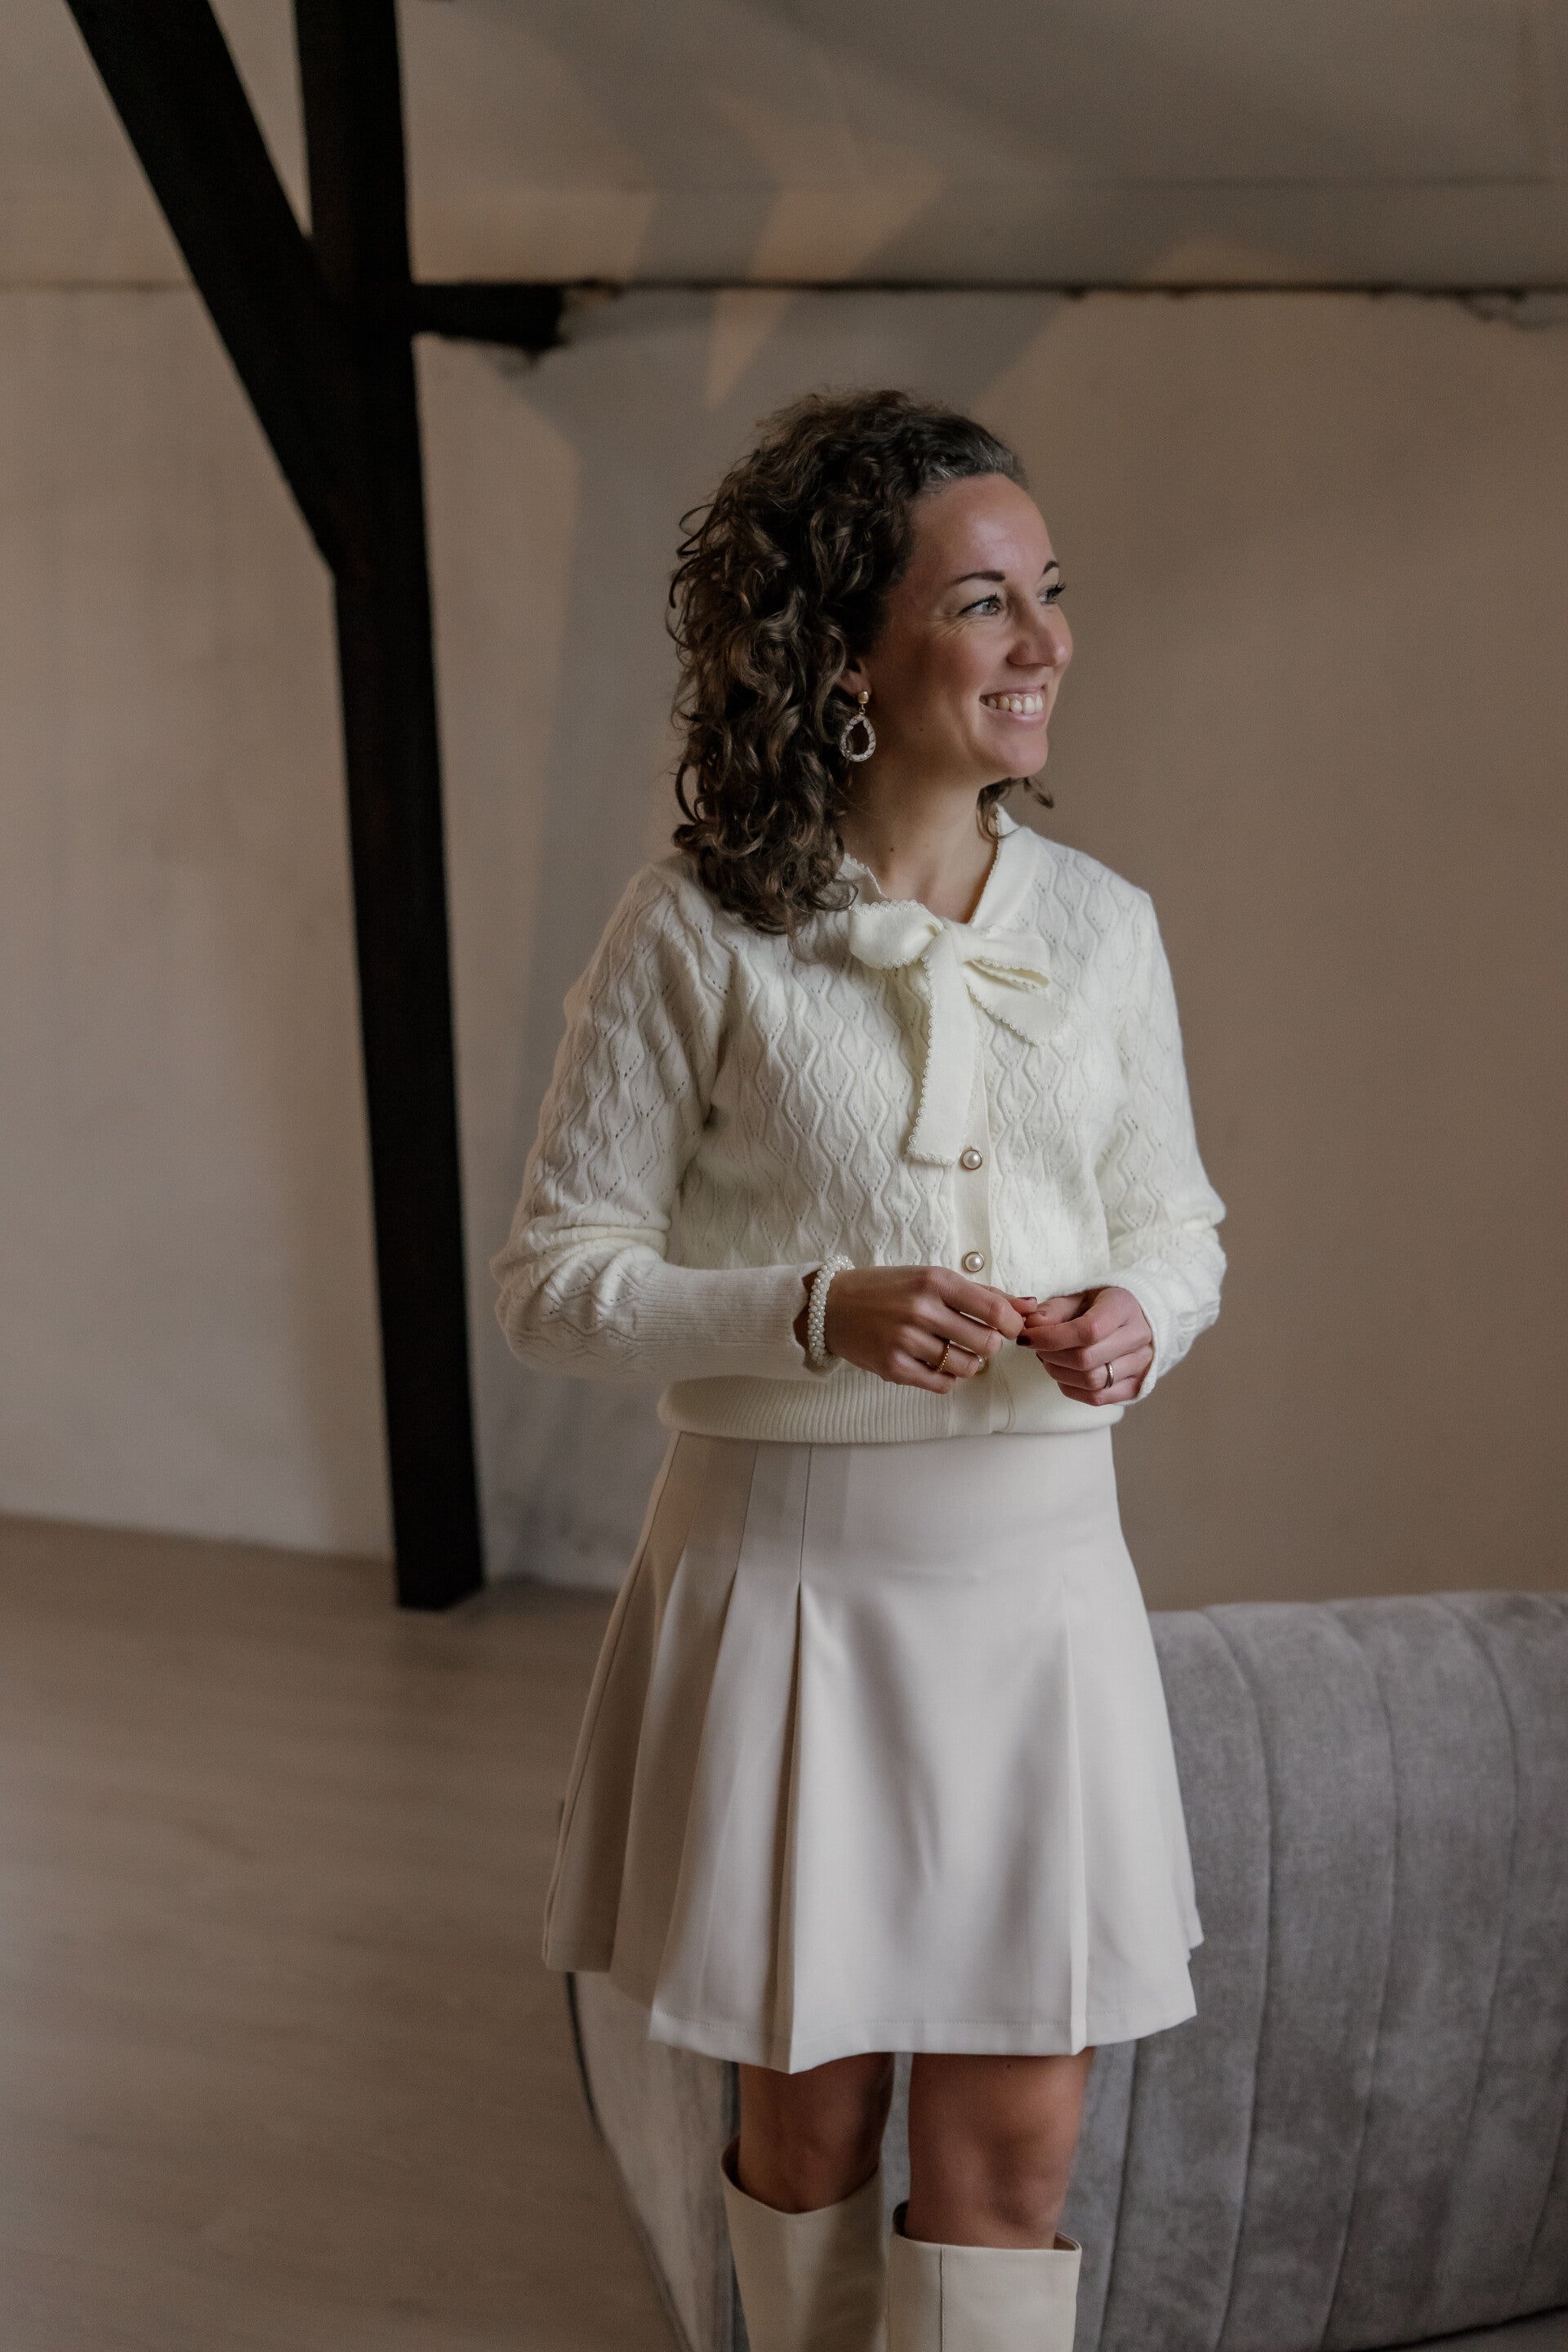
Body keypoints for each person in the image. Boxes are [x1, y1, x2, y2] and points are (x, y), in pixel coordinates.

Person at [492, 389, 1226, 2352]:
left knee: (1019, 2141)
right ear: (842, 654)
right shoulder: (695, 931)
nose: (1045, 640)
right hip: (792, 1585)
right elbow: (554, 1286)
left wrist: (1140, 1316)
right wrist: (813, 1311)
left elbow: (1182, 1226)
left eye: (1050, 591)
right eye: (984, 603)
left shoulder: (1108, 931)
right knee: (807, 2125)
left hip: (1042, 1591)